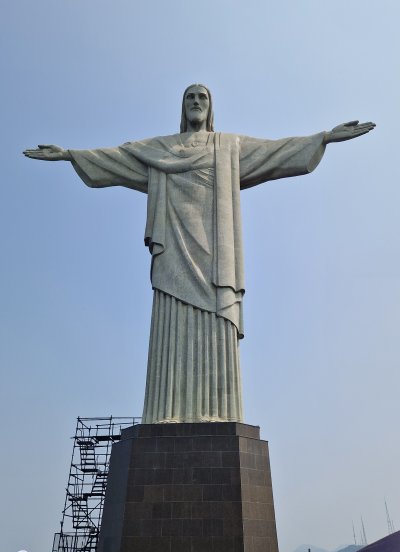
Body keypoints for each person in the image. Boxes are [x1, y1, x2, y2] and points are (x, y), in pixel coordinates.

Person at [23, 85, 375, 425]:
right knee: (172, 324)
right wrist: (70, 154)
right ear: (182, 106)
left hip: (215, 252)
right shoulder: (158, 149)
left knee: (215, 323)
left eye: (201, 97)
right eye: (189, 97)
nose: (195, 101)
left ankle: (220, 412)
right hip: (174, 246)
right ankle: (166, 410)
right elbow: (117, 158)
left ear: (210, 107)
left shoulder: (228, 146)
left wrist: (324, 137)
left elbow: (276, 151)